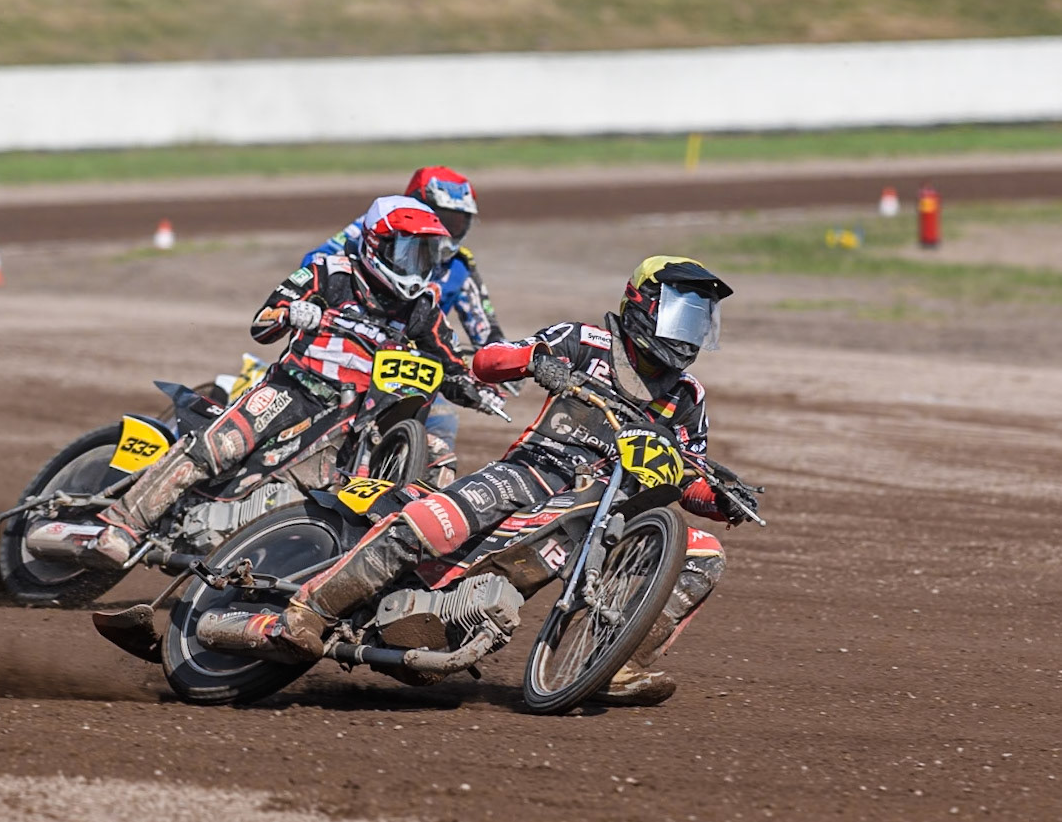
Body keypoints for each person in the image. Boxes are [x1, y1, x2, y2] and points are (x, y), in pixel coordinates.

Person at [208, 255, 759, 707]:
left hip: (607, 508)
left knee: (702, 553)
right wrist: (535, 360)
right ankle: (309, 611)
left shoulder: (687, 398)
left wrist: (723, 499)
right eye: (681, 315)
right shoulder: (585, 341)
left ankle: (615, 664)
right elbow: (488, 362)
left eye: (698, 320)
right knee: (437, 522)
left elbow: (686, 475)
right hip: (532, 472)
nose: (688, 334)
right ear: (644, 305)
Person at [88, 195, 503, 567]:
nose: (419, 265)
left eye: (427, 254)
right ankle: (121, 525)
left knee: (438, 455)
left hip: (364, 414)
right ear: (379, 244)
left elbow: (447, 357)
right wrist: (292, 313)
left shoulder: (424, 307)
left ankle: (422, 559)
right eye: (410, 252)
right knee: (220, 446)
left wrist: (478, 384)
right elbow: (263, 321)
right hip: (295, 390)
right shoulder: (329, 273)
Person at [303, 167, 509, 484]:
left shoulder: (459, 269)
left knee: (442, 423)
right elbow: (314, 267)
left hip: (411, 365)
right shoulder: (372, 231)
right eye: (441, 216)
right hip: (342, 348)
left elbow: (487, 331)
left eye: (457, 222)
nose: (445, 229)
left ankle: (413, 506)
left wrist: (500, 369)